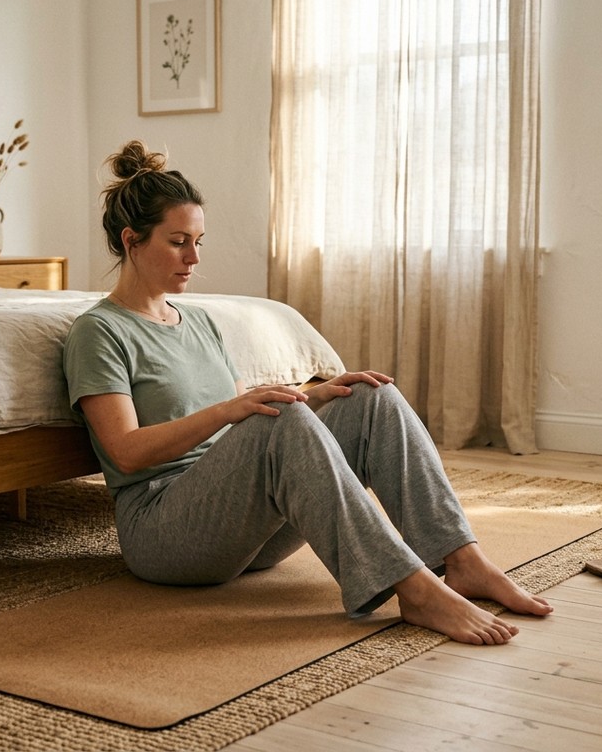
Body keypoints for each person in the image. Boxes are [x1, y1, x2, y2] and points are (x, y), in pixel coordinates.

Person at [62, 140, 552, 645]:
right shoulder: (100, 332)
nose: (194, 257)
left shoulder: (201, 321)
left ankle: (461, 558)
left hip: (243, 528)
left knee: (369, 398)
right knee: (280, 419)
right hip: (166, 532)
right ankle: (415, 588)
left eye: (199, 241)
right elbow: (124, 451)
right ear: (131, 240)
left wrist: (315, 397)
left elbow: (242, 420)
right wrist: (234, 410)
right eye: (178, 241)